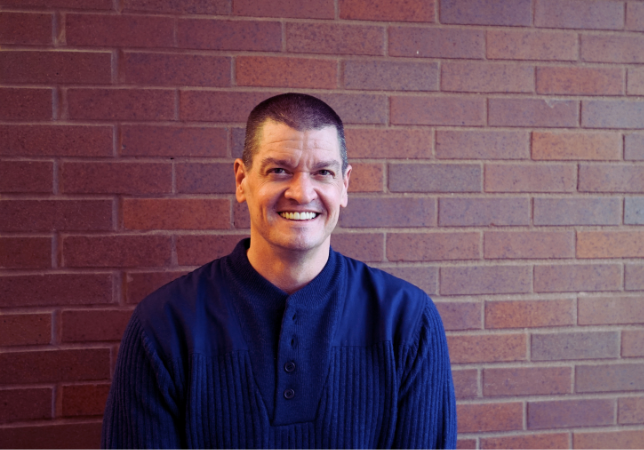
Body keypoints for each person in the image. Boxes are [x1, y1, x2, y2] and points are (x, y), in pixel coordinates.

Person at [101, 93, 457, 448]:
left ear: (344, 186)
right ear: (242, 180)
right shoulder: (164, 324)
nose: (302, 193)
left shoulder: (408, 321)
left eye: (323, 172)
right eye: (279, 170)